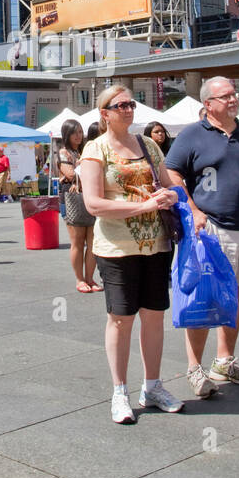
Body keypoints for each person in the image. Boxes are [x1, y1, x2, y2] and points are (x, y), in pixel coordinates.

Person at [80, 85, 183, 424]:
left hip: (156, 243)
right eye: (119, 105)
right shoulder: (96, 149)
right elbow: (93, 204)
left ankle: (152, 386)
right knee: (121, 319)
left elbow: (169, 184)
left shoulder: (149, 144)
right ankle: (119, 391)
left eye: (131, 103)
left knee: (154, 315)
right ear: (104, 113)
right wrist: (144, 206)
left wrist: (169, 196)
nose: (127, 109)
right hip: (116, 249)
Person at [165, 76, 239, 396]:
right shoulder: (192, 135)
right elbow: (171, 173)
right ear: (208, 104)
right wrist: (193, 210)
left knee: (237, 296)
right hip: (213, 230)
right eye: (225, 96)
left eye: (234, 94)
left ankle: (224, 361)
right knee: (205, 298)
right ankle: (194, 368)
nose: (233, 99)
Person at [57, 119, 98, 294]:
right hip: (72, 197)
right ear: (67, 134)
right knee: (78, 241)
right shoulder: (63, 152)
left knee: (93, 241)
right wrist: (84, 166)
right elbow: (70, 173)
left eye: (81, 132)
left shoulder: (83, 151)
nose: (79, 136)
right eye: (75, 133)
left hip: (88, 195)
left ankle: (90, 277)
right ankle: (80, 279)